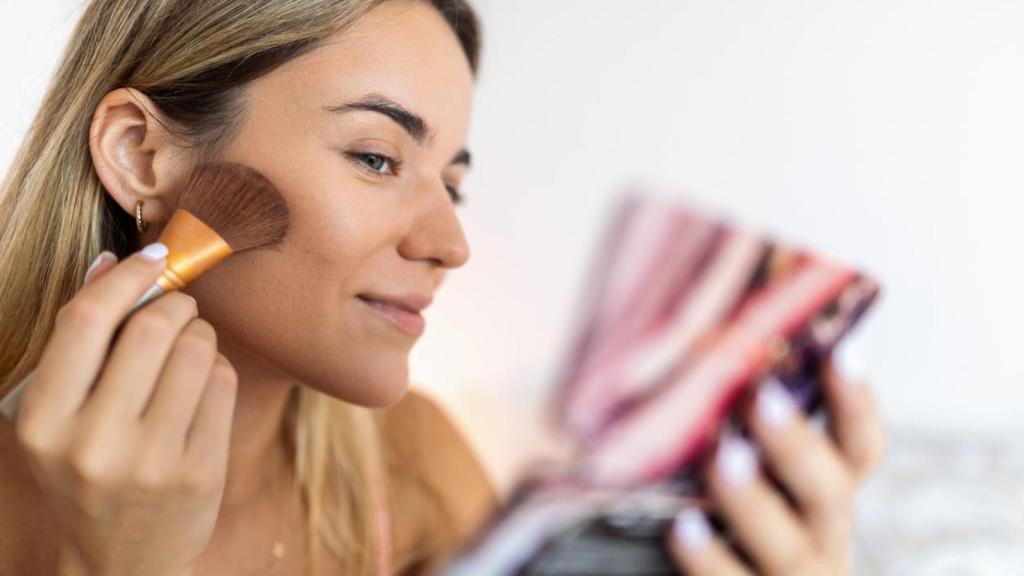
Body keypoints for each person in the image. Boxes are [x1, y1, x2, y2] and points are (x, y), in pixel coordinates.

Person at [0, 1, 886, 575]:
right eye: (377, 157)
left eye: (450, 183)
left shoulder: (410, 472)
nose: (449, 243)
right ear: (140, 154)